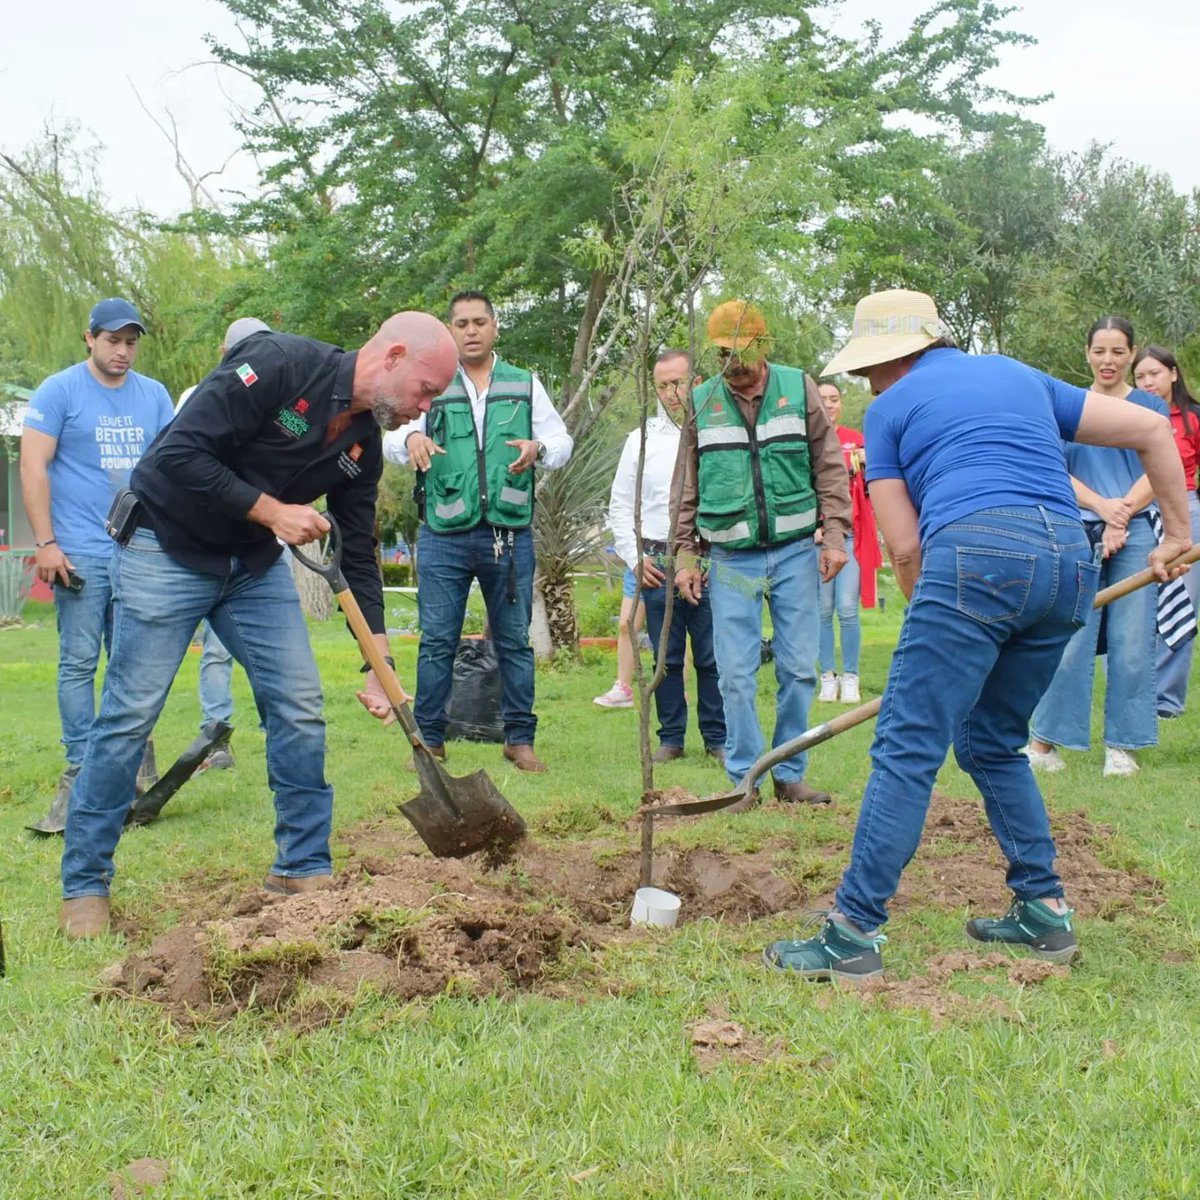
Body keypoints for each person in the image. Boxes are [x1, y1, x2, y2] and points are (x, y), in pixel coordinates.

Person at [762, 289, 1190, 984]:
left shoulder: (891, 411)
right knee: (991, 740)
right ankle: (1043, 909)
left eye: (869, 370)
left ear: (894, 359)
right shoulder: (1019, 375)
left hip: (973, 555)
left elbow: (903, 549)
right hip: (1067, 566)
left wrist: (937, 617)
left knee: (907, 745)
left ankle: (850, 934)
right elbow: (1151, 432)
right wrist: (1176, 532)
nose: (868, 384)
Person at [58, 312, 459, 939]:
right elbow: (176, 454)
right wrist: (272, 510)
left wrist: (380, 666)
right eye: (426, 391)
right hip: (167, 549)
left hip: (251, 566)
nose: (424, 409)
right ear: (394, 356)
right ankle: (85, 885)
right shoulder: (276, 365)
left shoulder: (361, 446)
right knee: (130, 714)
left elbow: (358, 555)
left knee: (298, 706)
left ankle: (301, 867)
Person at [384, 291, 573, 773]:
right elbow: (388, 432)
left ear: (494, 327)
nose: (470, 330)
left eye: (479, 322)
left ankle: (519, 740)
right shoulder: (432, 381)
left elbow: (561, 439)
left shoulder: (524, 383)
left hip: (508, 533)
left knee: (513, 641)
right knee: (437, 641)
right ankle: (430, 741)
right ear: (450, 330)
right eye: (461, 323)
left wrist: (538, 448)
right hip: (444, 531)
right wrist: (411, 436)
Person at [673, 301, 851, 807]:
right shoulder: (701, 401)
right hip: (731, 559)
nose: (733, 364)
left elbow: (830, 467)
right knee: (734, 673)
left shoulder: (799, 388)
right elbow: (686, 485)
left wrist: (835, 534)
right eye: (723, 354)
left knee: (799, 668)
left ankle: (789, 772)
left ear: (763, 344)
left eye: (741, 352)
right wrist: (685, 551)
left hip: (797, 551)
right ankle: (743, 780)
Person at [21, 298, 174, 830]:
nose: (123, 351)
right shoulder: (59, 391)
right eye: (113, 340)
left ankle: (131, 764)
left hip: (139, 548)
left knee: (133, 662)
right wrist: (45, 542)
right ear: (90, 338)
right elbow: (33, 465)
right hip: (79, 550)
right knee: (80, 662)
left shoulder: (154, 396)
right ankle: (80, 767)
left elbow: (171, 466)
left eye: (131, 342)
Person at [1026, 317, 1168, 778]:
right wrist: (1102, 508)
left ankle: (1122, 747)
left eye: (1118, 352)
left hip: (1136, 533)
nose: (1108, 360)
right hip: (1077, 530)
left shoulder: (1150, 406)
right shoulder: (1067, 405)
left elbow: (1160, 468)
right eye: (1100, 351)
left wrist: (1121, 513)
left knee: (1131, 641)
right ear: (1086, 352)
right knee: (1068, 637)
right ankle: (1046, 743)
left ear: (1132, 355)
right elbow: (1053, 470)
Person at [606, 349, 726, 763]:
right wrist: (635, 559)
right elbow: (620, 505)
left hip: (710, 557)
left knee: (713, 655)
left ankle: (718, 739)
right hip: (656, 560)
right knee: (666, 657)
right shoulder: (641, 439)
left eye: (679, 382)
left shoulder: (718, 430)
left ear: (697, 381)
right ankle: (671, 738)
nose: (672, 393)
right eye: (663, 385)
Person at [174, 317, 274, 770]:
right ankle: (217, 736)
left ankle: (282, 732)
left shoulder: (280, 400)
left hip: (258, 543)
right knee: (214, 650)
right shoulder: (194, 399)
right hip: (205, 544)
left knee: (265, 651)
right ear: (225, 353)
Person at [1134, 346, 1200, 718]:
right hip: (1138, 509)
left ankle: (1165, 703)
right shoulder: (1126, 415)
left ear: (1173, 374)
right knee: (1135, 606)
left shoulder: (1192, 418)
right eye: (1140, 376)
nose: (1147, 383)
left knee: (1183, 603)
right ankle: (1131, 697)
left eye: (1155, 373)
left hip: (1186, 509)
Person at [814, 380, 881, 704]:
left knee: (847, 609)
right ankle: (828, 676)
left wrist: (870, 460)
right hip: (816, 537)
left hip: (850, 536)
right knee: (823, 610)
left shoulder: (856, 441)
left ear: (840, 404)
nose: (828, 405)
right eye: (822, 399)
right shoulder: (807, 439)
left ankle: (851, 677)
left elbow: (875, 485)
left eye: (834, 399)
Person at [591, 582, 645, 709]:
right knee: (626, 625)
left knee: (672, 628)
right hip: (637, 571)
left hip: (669, 569)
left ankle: (680, 691)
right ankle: (624, 689)